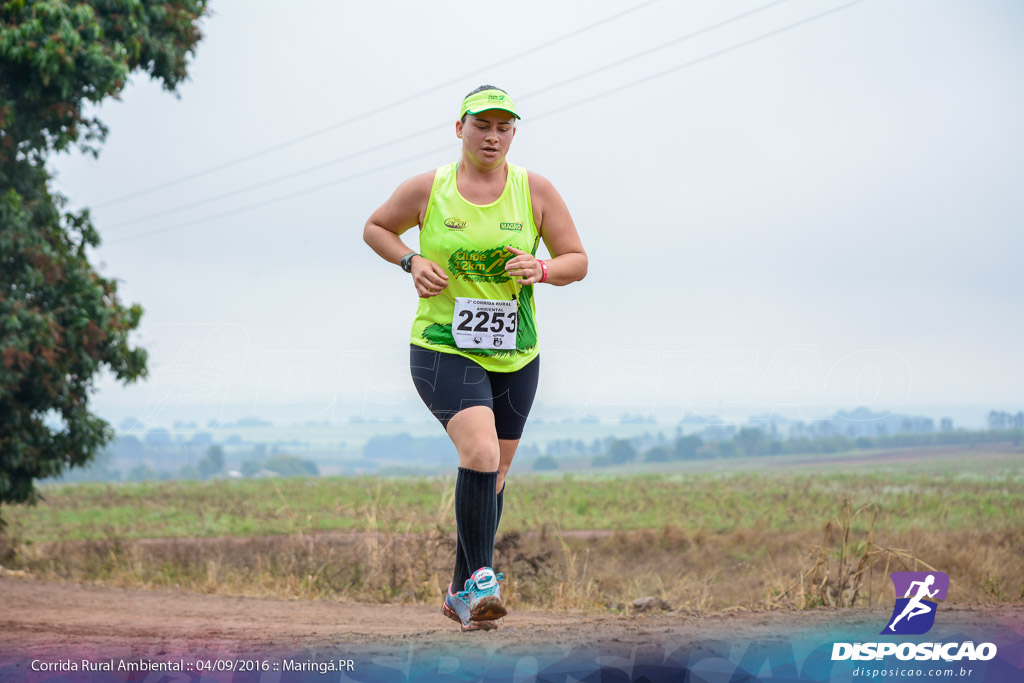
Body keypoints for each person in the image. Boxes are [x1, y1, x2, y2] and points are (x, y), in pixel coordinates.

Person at [363, 85, 587, 631]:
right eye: (481, 125)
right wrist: (411, 261)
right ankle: (483, 580)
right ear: (459, 127)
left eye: (503, 127)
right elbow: (375, 228)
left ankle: (459, 594)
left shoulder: (534, 191)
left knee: (497, 472)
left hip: (515, 352)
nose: (492, 136)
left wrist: (543, 269)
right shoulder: (428, 189)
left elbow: (576, 260)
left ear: (513, 133)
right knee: (482, 452)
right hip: (442, 346)